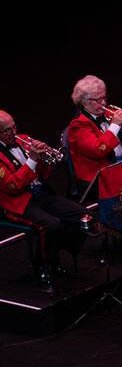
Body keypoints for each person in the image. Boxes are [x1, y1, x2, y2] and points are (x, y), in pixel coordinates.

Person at [0, 110, 90, 289]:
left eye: (14, 127)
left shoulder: (22, 139)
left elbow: (42, 174)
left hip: (40, 193)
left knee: (82, 215)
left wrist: (42, 158)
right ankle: (43, 267)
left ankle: (57, 252)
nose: (13, 133)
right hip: (16, 202)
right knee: (51, 225)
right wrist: (32, 160)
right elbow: (12, 186)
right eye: (7, 130)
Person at [66, 75, 122, 192]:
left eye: (104, 98)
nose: (103, 103)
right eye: (98, 100)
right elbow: (99, 150)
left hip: (121, 166)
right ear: (85, 102)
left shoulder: (107, 114)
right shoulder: (78, 126)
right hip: (98, 178)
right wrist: (115, 125)